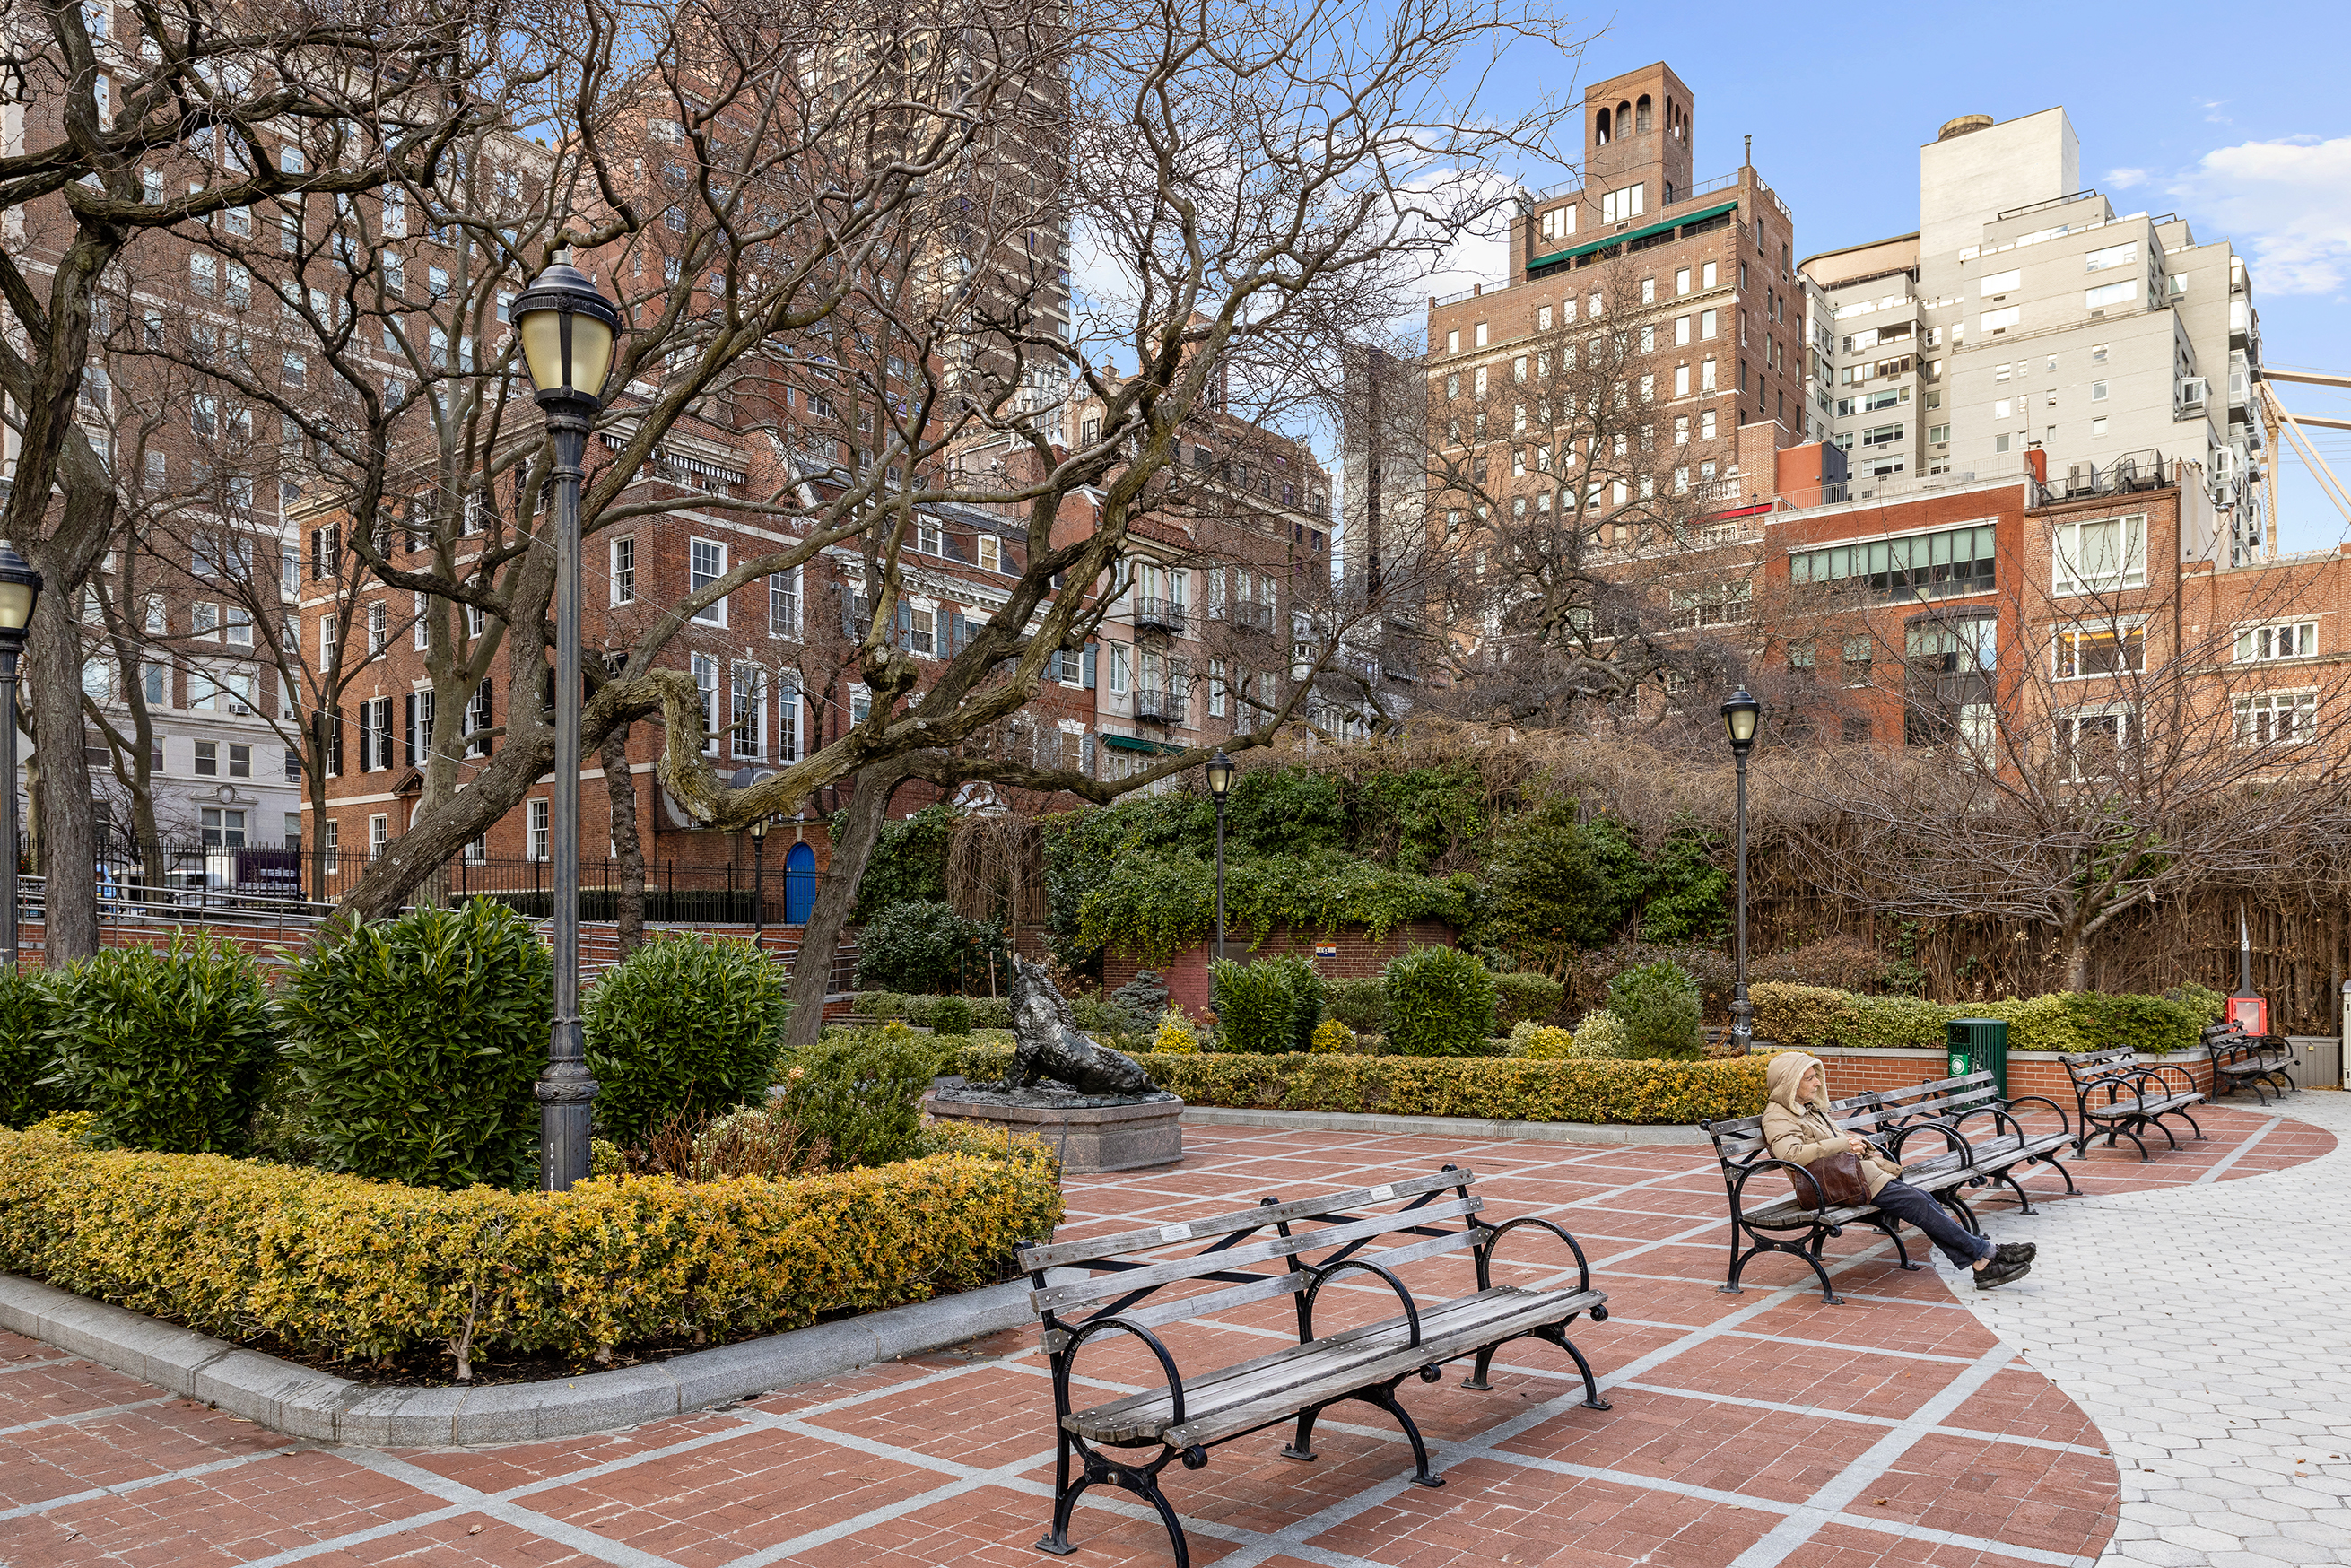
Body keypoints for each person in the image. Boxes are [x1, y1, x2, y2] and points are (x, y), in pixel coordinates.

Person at [1763, 1051, 2033, 1291]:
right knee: (1918, 1203)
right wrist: (1843, 1144)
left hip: (1850, 1178)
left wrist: (1859, 1145)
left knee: (1923, 1200)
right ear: (1790, 1082)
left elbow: (1832, 1142)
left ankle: (1982, 1262)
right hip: (1827, 1187)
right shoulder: (1778, 1115)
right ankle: (1986, 1253)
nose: (1818, 1083)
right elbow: (1791, 1154)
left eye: (1815, 1077)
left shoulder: (1811, 1110)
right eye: (1809, 1078)